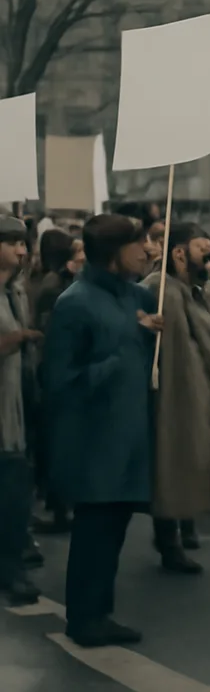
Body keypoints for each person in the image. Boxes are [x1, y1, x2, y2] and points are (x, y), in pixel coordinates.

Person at [45, 214, 162, 646]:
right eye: (140, 243)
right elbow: (60, 381)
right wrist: (124, 348)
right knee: (94, 533)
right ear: (115, 252)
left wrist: (148, 336)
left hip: (130, 434)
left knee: (114, 532)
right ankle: (83, 618)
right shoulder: (75, 303)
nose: (148, 251)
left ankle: (101, 612)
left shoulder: (138, 295)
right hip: (94, 441)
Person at [142, 223, 210, 573]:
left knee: (190, 459)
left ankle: (181, 528)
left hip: (201, 386)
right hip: (170, 392)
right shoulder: (158, 289)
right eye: (201, 249)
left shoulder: (202, 291)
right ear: (179, 253)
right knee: (170, 462)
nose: (209, 257)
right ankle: (169, 540)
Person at [0, 217, 43, 606]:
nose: (22, 250)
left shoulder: (16, 290)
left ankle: (12, 565)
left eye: (23, 243)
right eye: (12, 242)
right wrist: (15, 339)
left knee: (14, 494)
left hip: (16, 409)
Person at [31, 229, 83, 535]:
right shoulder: (54, 285)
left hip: (54, 369)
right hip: (51, 371)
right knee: (55, 441)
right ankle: (59, 507)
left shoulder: (60, 281)